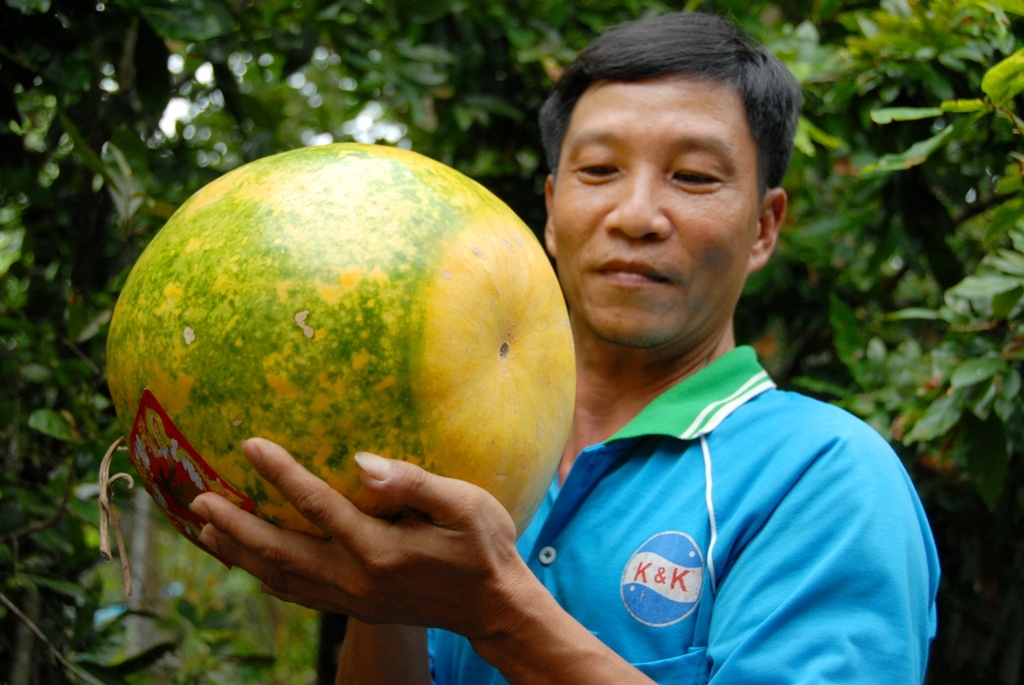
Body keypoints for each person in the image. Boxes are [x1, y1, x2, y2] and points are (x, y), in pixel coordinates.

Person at [189, 11, 940, 684]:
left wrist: (498, 613)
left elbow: (494, 613)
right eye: (599, 170)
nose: (636, 215)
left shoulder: (825, 476)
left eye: (693, 176)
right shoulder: (452, 445)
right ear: (551, 209)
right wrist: (382, 599)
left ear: (765, 228)